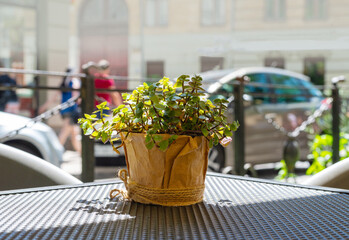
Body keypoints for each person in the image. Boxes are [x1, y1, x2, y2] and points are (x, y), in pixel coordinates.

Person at [39, 68, 81, 154]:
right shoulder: (74, 82)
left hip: (64, 110)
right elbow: (76, 96)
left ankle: (81, 153)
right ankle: (55, 152)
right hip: (72, 111)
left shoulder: (63, 84)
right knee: (65, 133)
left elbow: (53, 98)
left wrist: (44, 107)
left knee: (74, 133)